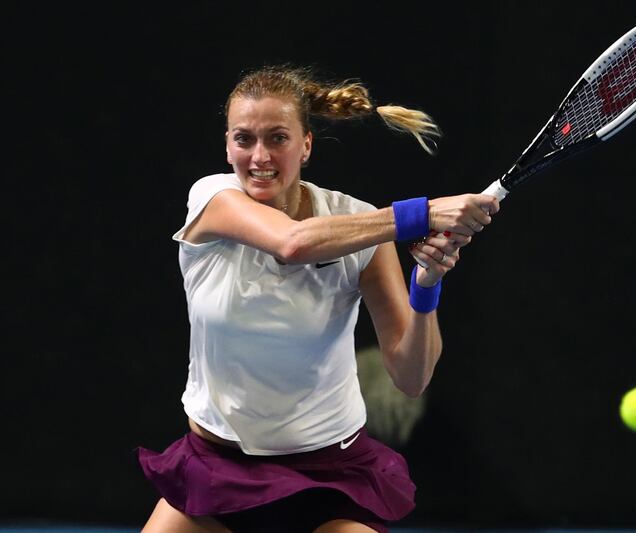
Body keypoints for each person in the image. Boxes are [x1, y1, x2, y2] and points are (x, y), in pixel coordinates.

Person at [137, 65, 499, 533]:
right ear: (227, 145)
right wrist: (423, 213)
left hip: (331, 479)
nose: (259, 156)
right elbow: (293, 243)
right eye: (244, 139)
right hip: (216, 472)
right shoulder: (212, 198)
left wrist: (427, 284)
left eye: (278, 138)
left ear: (306, 144)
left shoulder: (358, 224)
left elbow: (411, 377)